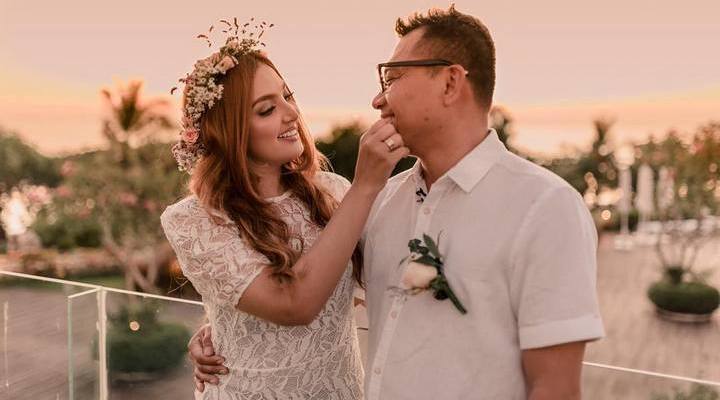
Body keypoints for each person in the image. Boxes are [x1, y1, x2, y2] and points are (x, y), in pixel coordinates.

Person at [189, 6, 604, 399]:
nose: (378, 99)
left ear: (450, 83)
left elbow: (556, 389)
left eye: (392, 79)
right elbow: (325, 287)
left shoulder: (545, 208)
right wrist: (226, 328)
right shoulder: (379, 202)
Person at [160, 24, 409, 399]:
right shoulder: (194, 220)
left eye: (288, 96)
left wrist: (225, 327)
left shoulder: (333, 192)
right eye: (267, 109)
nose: (291, 113)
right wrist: (366, 184)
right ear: (230, 132)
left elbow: (385, 281)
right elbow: (294, 306)